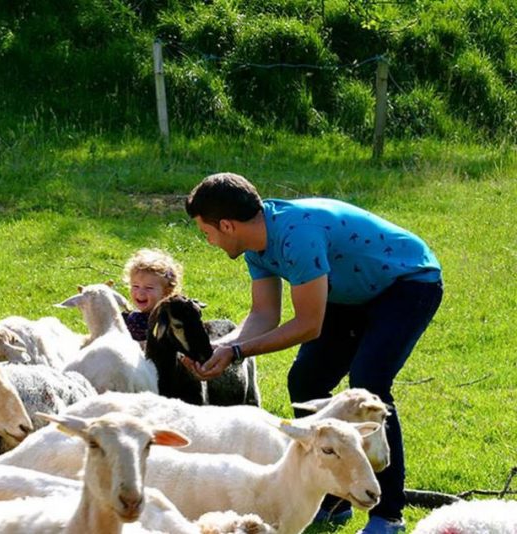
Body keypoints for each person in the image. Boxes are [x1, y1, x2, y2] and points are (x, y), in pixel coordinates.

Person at [182, 172, 443, 534]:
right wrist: (220, 348)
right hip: (351, 292)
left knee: (369, 383)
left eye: (205, 232)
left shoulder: (295, 237)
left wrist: (238, 352)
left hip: (408, 282)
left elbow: (309, 324)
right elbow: (264, 315)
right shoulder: (256, 244)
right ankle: (333, 501)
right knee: (307, 379)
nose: (207, 240)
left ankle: (388, 515)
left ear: (227, 225)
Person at [121, 248, 183, 347]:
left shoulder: (168, 319)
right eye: (135, 286)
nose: (140, 293)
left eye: (149, 288)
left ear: (166, 292)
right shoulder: (128, 318)